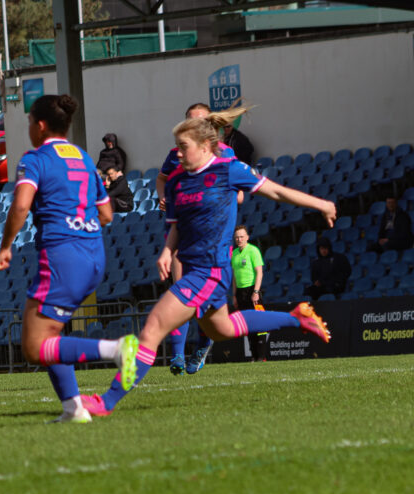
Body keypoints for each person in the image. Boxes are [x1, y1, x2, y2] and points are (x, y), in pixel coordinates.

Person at [80, 105, 337, 418]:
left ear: (204, 147)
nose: (178, 153)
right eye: (176, 146)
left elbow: (277, 192)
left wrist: (321, 203)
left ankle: (106, 402)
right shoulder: (177, 180)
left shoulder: (229, 170)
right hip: (195, 268)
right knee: (223, 330)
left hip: (209, 271)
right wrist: (166, 251)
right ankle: (298, 318)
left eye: (183, 147)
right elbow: (176, 224)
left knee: (152, 328)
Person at [0, 94, 140, 425]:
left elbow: (20, 206)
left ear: (41, 126)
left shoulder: (35, 159)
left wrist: (5, 246)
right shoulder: (85, 159)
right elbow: (106, 213)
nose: (29, 127)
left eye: (30, 121)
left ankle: (116, 350)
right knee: (51, 336)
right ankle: (74, 409)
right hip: (93, 256)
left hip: (63, 257)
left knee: (34, 348)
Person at [156, 102, 240, 376]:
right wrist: (165, 198)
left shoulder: (227, 155)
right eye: (190, 120)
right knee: (182, 291)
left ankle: (201, 347)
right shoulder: (177, 154)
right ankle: (178, 356)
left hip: (213, 236)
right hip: (184, 230)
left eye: (199, 120)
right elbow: (162, 178)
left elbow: (239, 191)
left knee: (207, 302)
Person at [230, 225, 268, 361]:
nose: (239, 239)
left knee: (260, 324)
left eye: (241, 237)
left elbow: (259, 272)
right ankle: (253, 356)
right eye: (236, 237)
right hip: (240, 293)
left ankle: (262, 356)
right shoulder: (234, 254)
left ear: (247, 237)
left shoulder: (253, 251)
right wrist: (234, 295)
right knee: (248, 325)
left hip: (252, 290)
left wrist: (256, 292)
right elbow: (234, 276)